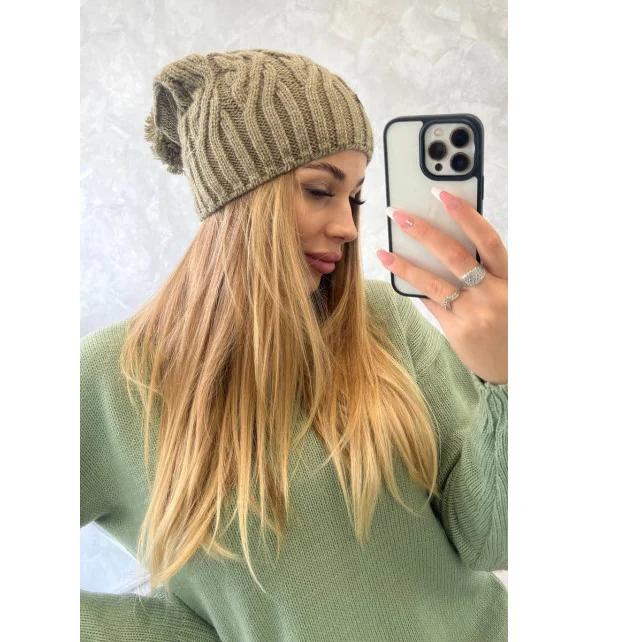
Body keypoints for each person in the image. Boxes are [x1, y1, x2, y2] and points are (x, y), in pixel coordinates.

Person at [80, 48, 508, 642]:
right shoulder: (113, 380)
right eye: (319, 190)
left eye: (355, 197)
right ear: (237, 199)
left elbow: (491, 541)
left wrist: (506, 381)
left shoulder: (383, 323)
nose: (348, 227)